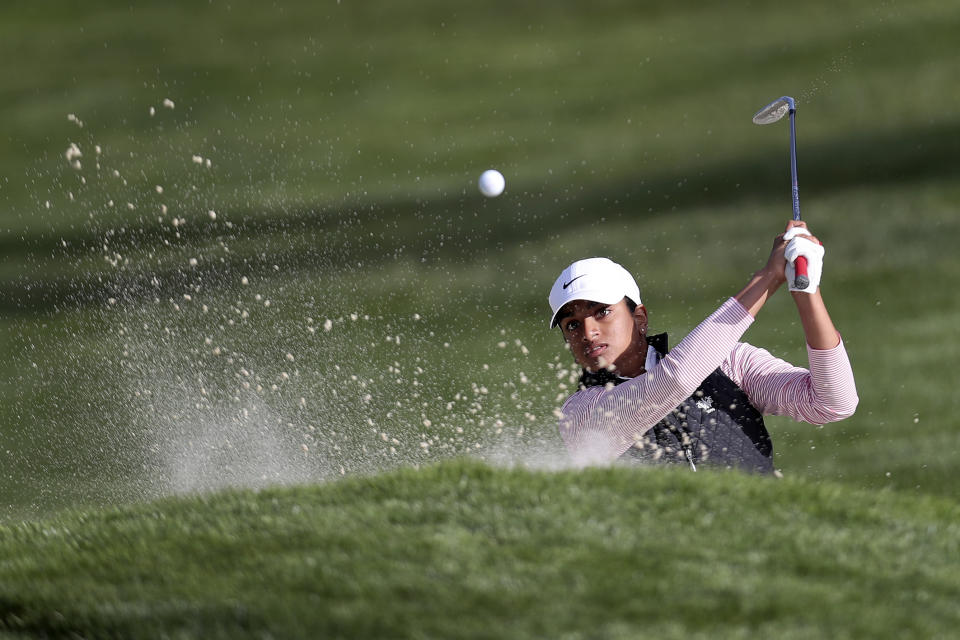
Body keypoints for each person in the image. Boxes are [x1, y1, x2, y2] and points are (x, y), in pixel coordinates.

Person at [547, 221, 858, 473]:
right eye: (571, 324)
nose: (587, 332)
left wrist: (805, 290)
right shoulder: (581, 413)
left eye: (602, 312)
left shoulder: (731, 363)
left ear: (639, 317)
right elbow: (674, 382)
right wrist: (766, 279)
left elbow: (832, 402)